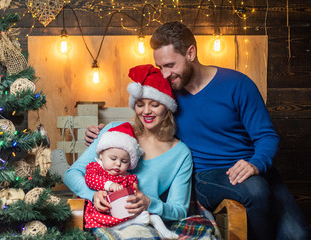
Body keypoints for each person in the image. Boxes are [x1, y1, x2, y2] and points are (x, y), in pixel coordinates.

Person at [85, 22, 310, 239]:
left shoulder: (238, 84)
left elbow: (266, 135)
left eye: (170, 65)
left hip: (254, 169)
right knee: (256, 190)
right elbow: (146, 115)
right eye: (160, 67)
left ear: (190, 53)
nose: (164, 74)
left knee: (298, 234)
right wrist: (106, 132)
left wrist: (255, 164)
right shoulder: (170, 94)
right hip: (208, 175)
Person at [64, 64, 193, 238]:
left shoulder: (180, 153)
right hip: (102, 218)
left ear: (167, 107)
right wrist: (93, 195)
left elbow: (179, 211)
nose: (146, 111)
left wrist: (149, 203)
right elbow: (72, 174)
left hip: (143, 222)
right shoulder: (115, 130)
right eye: (140, 105)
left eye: (155, 104)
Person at [84, 121, 178, 239]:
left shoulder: (128, 178)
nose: (118, 164)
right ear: (101, 155)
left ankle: (165, 233)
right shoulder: (96, 168)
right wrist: (109, 185)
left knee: (154, 217)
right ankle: (127, 223)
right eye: (113, 158)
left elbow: (133, 195)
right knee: (103, 220)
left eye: (124, 161)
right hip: (101, 210)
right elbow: (90, 179)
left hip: (123, 210)